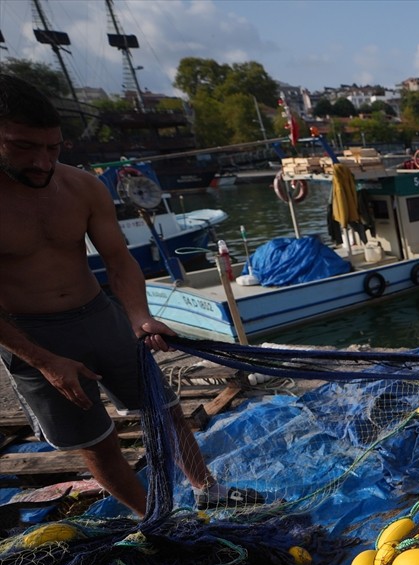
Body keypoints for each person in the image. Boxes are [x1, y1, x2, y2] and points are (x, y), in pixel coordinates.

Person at [0, 74, 262, 518]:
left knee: (166, 410)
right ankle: (156, 519)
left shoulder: (82, 186)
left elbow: (119, 261)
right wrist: (45, 361)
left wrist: (139, 316)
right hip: (30, 334)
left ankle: (206, 488)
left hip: (100, 315)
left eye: (53, 148)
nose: (42, 162)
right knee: (96, 444)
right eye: (24, 147)